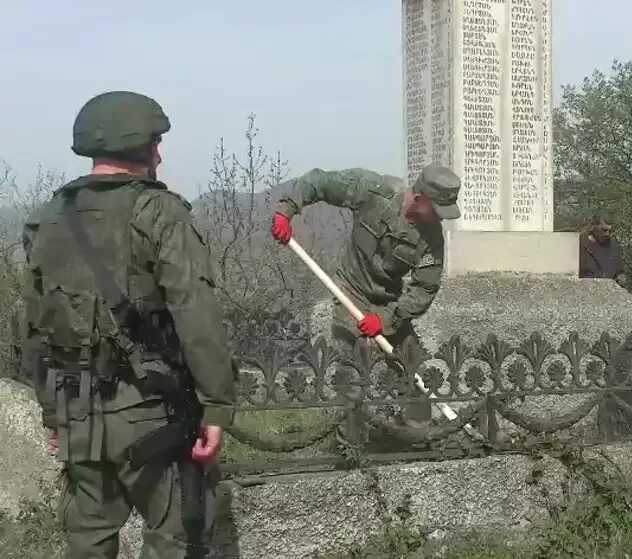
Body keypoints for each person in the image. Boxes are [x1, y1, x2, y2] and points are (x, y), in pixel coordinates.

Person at [19, 90, 237, 558]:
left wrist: (52, 411)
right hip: (150, 411)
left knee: (89, 540)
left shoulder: (46, 219)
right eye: (155, 142)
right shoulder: (160, 212)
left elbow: (35, 327)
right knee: (176, 533)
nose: (160, 152)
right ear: (137, 145)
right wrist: (217, 406)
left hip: (76, 411)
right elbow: (196, 315)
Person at [270, 164, 461, 429]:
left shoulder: (431, 239)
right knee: (352, 370)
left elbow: (424, 289)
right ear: (419, 199)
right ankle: (352, 442)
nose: (440, 218)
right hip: (350, 292)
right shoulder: (373, 191)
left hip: (391, 305)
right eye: (437, 210)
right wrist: (286, 210)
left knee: (414, 369)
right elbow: (319, 181)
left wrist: (385, 319)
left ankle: (419, 437)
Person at [579, 211, 624, 281]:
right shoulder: (580, 244)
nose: (607, 234)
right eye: (604, 230)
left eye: (610, 231)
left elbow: (619, 272)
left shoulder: (614, 246)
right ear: (592, 226)